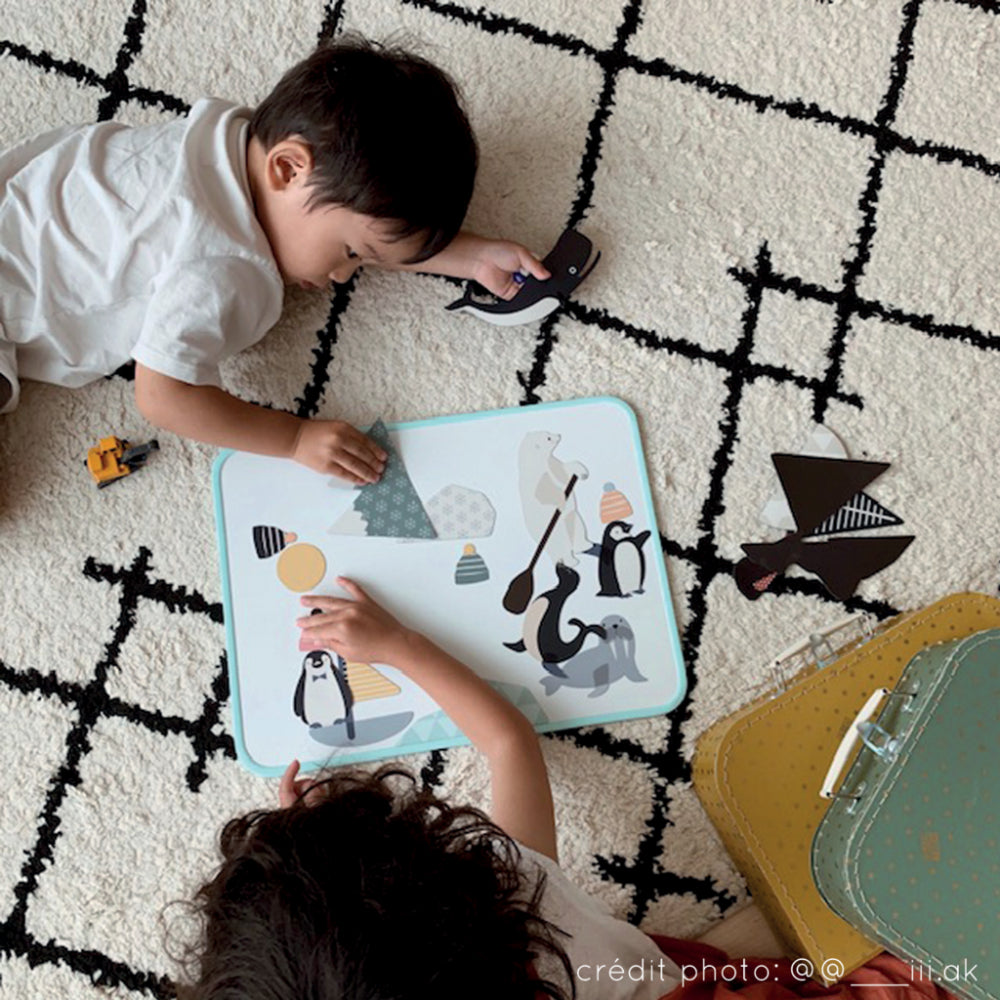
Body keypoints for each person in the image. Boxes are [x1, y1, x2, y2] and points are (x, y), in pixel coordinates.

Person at [0, 35, 548, 484]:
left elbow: (348, 213)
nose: (341, 276)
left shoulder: (230, 138)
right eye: (351, 255)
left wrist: (468, 257)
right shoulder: (218, 266)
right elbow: (163, 395)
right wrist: (294, 439)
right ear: (286, 169)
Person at [173, 577, 682, 1000]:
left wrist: (316, 853)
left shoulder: (512, 948)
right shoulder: (532, 922)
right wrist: (400, 645)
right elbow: (509, 743)